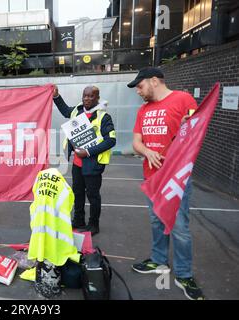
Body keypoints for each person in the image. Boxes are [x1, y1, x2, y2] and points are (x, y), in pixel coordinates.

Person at [128, 67, 204, 300]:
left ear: (154, 81)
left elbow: (195, 130)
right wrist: (147, 151)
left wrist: (188, 123)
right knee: (156, 220)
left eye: (140, 86)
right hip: (152, 177)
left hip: (176, 177)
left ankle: (184, 274)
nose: (138, 92)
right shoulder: (143, 110)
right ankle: (159, 260)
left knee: (179, 226)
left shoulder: (183, 99)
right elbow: (136, 143)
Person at [53, 85, 116, 235]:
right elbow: (65, 110)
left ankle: (94, 224)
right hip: (77, 163)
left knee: (93, 195)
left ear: (97, 98)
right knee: (77, 193)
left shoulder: (103, 117)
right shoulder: (77, 110)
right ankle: (78, 220)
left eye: (91, 96)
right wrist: (56, 96)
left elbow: (111, 141)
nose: (87, 99)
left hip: (93, 164)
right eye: (85, 96)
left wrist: (87, 152)